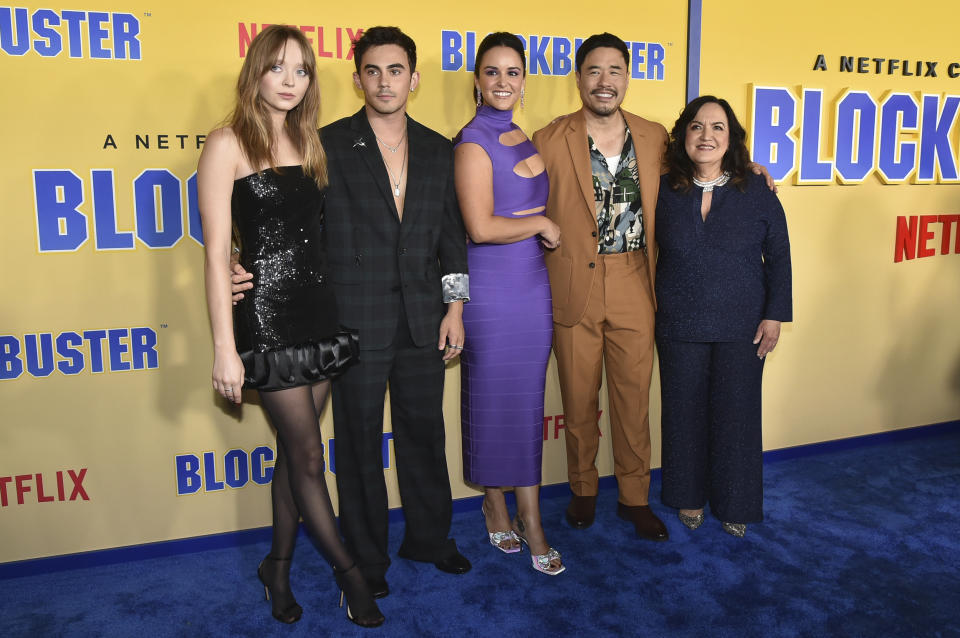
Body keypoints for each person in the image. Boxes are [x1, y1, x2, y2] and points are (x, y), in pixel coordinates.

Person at [232, 26, 471, 598]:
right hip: (351, 318)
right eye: (373, 71)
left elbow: (452, 238)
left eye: (396, 70)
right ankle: (367, 558)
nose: (385, 81)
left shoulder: (441, 148)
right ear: (358, 77)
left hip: (423, 316)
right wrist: (239, 261)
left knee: (423, 432)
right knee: (359, 442)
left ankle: (431, 540)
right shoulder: (325, 142)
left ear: (414, 78)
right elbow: (286, 220)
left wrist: (455, 307)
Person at [197, 25, 383, 627]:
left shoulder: (311, 141)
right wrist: (226, 349)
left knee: (292, 455)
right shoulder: (226, 143)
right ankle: (349, 573)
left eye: (301, 71)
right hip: (266, 320)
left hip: (317, 314)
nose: (289, 81)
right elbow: (215, 253)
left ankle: (276, 566)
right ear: (255, 71)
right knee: (307, 457)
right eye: (278, 68)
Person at [531, 33, 669, 541]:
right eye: (594, 71)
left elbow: (702, 171)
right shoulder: (548, 138)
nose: (604, 81)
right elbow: (511, 191)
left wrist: (749, 172)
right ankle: (583, 489)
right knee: (579, 398)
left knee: (634, 400)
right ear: (579, 78)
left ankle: (635, 498)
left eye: (614, 70)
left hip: (636, 279)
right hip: (573, 286)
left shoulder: (656, 138)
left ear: (627, 77)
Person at [655, 95, 792, 537]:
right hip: (679, 324)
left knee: (737, 416)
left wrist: (774, 315)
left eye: (717, 127)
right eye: (697, 127)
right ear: (683, 137)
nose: (706, 135)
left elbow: (780, 256)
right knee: (683, 414)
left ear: (731, 138)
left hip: (743, 326)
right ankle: (688, 498)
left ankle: (736, 503)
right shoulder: (663, 189)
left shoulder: (757, 191)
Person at [453, 32, 564, 575]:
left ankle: (530, 513)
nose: (502, 82)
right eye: (491, 72)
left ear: (524, 79)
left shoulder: (522, 133)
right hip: (491, 292)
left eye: (512, 72)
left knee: (526, 405)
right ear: (476, 80)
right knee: (493, 401)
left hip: (531, 288)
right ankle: (499, 504)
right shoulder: (473, 141)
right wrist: (541, 222)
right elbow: (478, 225)